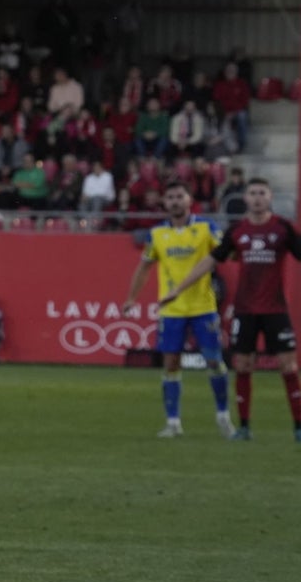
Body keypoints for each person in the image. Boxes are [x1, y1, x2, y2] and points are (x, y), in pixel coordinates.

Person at [160, 179, 301, 442]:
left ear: (270, 197)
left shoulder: (282, 228)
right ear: (245, 199)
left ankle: (298, 426)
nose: (257, 198)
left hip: (275, 309)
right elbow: (210, 260)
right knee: (243, 366)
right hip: (245, 309)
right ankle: (245, 427)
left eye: (262, 193)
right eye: (253, 193)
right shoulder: (237, 231)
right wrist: (178, 289)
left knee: (288, 366)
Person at [121, 181, 234, 438]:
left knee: (215, 361)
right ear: (164, 202)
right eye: (170, 197)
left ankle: (223, 417)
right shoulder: (157, 234)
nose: (174, 201)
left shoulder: (206, 227)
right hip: (171, 310)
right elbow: (144, 267)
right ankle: (173, 422)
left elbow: (224, 251)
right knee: (171, 363)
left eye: (179, 196)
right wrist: (131, 298)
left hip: (203, 306)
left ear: (189, 199)